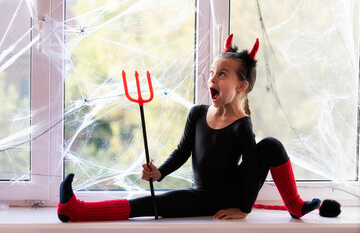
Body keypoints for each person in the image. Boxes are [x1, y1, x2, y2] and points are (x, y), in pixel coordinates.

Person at [57, 34, 320, 222]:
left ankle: (295, 205)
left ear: (242, 86)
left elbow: (253, 172)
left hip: (222, 197)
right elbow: (183, 151)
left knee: (271, 146)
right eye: (213, 72)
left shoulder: (241, 126)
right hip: (202, 194)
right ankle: (75, 209)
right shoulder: (197, 113)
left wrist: (244, 209)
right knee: (150, 202)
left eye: (222, 74)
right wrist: (159, 173)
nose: (212, 78)